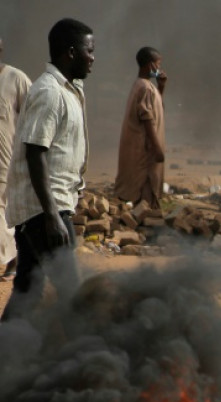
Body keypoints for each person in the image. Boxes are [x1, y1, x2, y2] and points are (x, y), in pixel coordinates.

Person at [2, 18, 94, 321]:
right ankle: (87, 349)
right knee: (71, 293)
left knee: (28, 289)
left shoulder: (69, 90)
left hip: (44, 208)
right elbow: (35, 153)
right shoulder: (49, 92)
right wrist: (52, 216)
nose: (93, 58)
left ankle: (7, 345)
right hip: (45, 210)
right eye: (89, 51)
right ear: (71, 52)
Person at [114, 46, 166, 208]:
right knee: (144, 193)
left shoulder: (143, 85)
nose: (159, 68)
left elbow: (155, 108)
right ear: (151, 65)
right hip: (144, 152)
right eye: (158, 64)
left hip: (143, 149)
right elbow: (147, 119)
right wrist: (157, 148)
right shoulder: (144, 88)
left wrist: (161, 87)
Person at [0, 38, 32, 282]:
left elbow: (34, 117)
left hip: (7, 159)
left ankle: (13, 258)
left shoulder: (16, 79)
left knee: (3, 210)